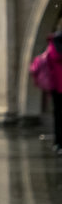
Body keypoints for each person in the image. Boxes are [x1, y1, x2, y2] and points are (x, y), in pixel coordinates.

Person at [32, 23, 62, 153]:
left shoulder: (51, 50)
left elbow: (42, 67)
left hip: (56, 89)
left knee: (58, 116)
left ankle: (58, 142)